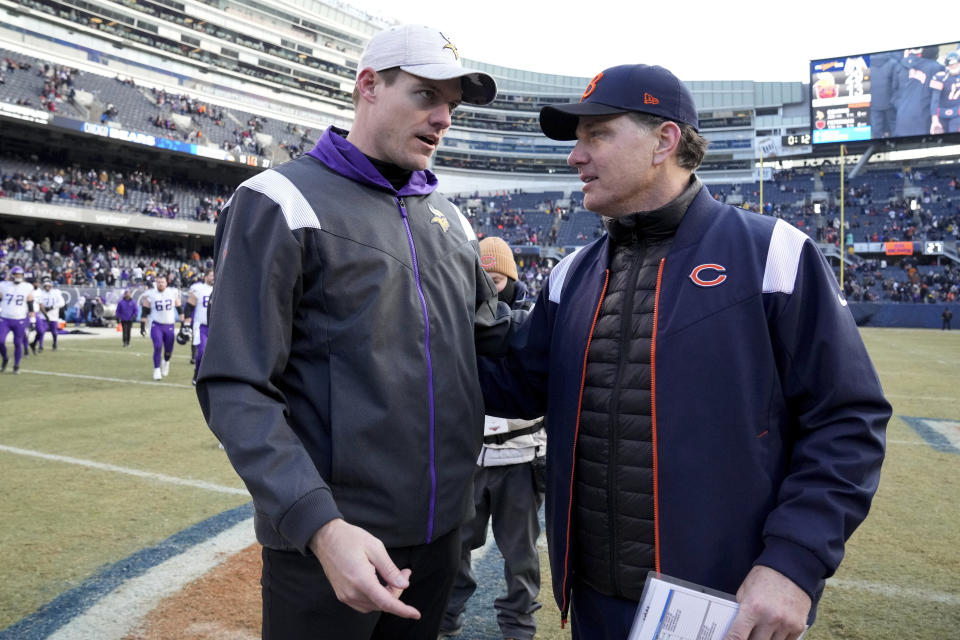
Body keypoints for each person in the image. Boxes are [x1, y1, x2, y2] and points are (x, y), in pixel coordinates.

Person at [479, 64, 891, 640]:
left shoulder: (772, 254)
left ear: (664, 141)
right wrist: (433, 306)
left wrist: (793, 563)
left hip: (725, 605)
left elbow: (847, 419)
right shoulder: (572, 275)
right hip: (596, 601)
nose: (576, 156)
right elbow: (509, 385)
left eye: (596, 134)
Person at [196, 24, 511, 640]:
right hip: (332, 549)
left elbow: (499, 360)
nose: (443, 117)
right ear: (369, 85)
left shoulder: (450, 219)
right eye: (425, 95)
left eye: (451, 104)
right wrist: (320, 527)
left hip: (441, 541)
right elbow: (236, 385)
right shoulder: (280, 199)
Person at [440, 237, 546, 640]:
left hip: (520, 457)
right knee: (455, 546)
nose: (489, 283)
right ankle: (446, 618)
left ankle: (518, 626)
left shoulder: (532, 319)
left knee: (520, 554)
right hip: (470, 457)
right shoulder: (461, 316)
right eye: (482, 275)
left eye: (496, 277)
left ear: (511, 276)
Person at [140, 273, 182, 380]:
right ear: (155, 283)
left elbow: (179, 308)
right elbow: (145, 311)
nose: (160, 284)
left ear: (166, 283)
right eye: (158, 282)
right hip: (156, 324)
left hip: (169, 325)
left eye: (162, 282)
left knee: (168, 350)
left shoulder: (172, 292)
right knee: (157, 346)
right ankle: (156, 370)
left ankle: (166, 361)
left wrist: (184, 325)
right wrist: (142, 326)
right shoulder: (151, 294)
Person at [0, 266, 35, 374]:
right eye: (16, 275)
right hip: (4, 318)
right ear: (12, 275)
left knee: (18, 343)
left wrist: (32, 320)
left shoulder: (27, 287)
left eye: (20, 275)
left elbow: (30, 305)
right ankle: (5, 358)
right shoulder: (3, 285)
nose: (18, 277)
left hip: (19, 319)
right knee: (0, 341)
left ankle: (16, 365)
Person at [184, 268, 213, 385]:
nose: (213, 278)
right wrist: (186, 324)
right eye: (211, 275)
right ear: (205, 276)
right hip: (201, 326)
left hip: (216, 327)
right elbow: (189, 307)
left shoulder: (221, 287)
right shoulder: (198, 288)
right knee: (201, 352)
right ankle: (197, 373)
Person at [929, 51, 960, 135]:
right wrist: (934, 119)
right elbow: (935, 99)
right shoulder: (940, 77)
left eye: (955, 64)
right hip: (941, 113)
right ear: (947, 65)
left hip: (957, 113)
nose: (953, 67)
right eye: (951, 65)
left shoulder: (940, 76)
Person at [31, 277, 65, 352]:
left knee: (54, 332)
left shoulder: (56, 293)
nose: (47, 288)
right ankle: (40, 346)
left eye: (48, 286)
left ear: (51, 286)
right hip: (43, 315)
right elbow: (38, 303)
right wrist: (43, 308)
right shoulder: (40, 293)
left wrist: (52, 307)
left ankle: (55, 344)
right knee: (42, 331)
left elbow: (62, 303)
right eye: (46, 286)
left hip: (53, 315)